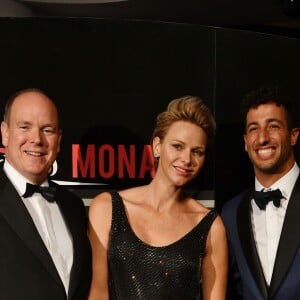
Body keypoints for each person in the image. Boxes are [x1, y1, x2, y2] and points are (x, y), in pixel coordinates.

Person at [88, 95, 228, 300]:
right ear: (157, 146)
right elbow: (97, 293)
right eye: (177, 146)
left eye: (197, 152)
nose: (186, 159)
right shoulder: (107, 207)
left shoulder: (210, 226)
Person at [0, 88, 92, 300]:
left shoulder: (73, 206)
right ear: (5, 133)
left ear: (58, 140)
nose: (37, 139)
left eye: (47, 130)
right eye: (24, 127)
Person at [221, 86, 300, 300]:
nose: (263, 138)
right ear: (246, 142)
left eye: (273, 126)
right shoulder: (230, 213)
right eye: (254, 129)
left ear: (293, 135)